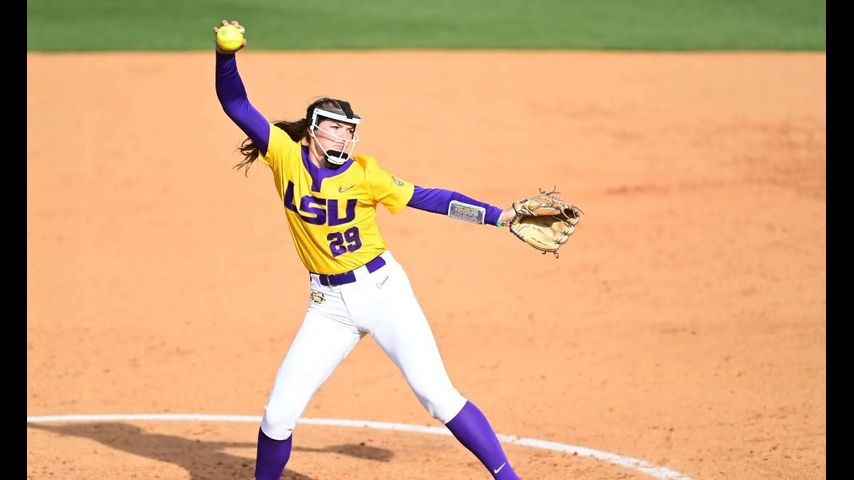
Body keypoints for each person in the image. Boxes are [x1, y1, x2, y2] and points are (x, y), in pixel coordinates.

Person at [213, 19, 522, 480]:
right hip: (327, 306)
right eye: (334, 128)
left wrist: (497, 216)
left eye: (348, 130)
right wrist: (225, 55)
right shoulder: (282, 154)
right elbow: (235, 103)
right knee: (278, 416)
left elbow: (429, 197)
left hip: (383, 292)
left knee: (437, 396)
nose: (343, 137)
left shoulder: (365, 174)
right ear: (312, 131)